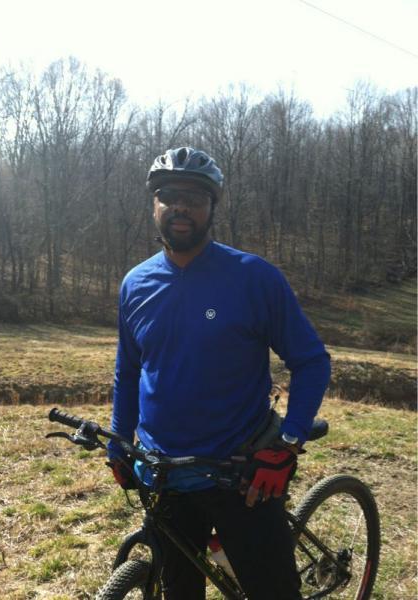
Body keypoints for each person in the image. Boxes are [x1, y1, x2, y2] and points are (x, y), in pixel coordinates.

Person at [108, 147, 331, 600]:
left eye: (195, 196)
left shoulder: (254, 278)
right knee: (178, 590)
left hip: (242, 471)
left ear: (212, 207)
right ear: (154, 204)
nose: (181, 206)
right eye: (169, 195)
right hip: (164, 472)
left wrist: (287, 443)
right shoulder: (135, 284)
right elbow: (128, 372)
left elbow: (311, 361)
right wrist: (118, 441)